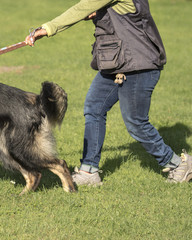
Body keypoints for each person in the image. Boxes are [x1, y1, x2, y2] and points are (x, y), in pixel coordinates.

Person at [24, 0, 191, 185]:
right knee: (94, 108)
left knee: (136, 122)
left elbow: (83, 7)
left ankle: (179, 165)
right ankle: (89, 171)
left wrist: (46, 29)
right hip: (118, 62)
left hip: (138, 66)